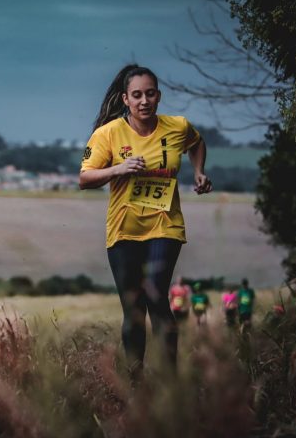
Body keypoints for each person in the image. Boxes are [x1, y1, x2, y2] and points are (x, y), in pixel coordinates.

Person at [79, 64, 212, 372]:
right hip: (124, 230)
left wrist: (199, 171)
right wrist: (118, 169)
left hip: (165, 225)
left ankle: (169, 384)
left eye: (150, 94)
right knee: (134, 308)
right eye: (136, 95)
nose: (144, 101)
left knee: (155, 295)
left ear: (159, 96)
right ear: (125, 99)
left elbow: (196, 142)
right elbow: (84, 178)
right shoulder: (108, 134)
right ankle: (135, 383)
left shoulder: (177, 127)